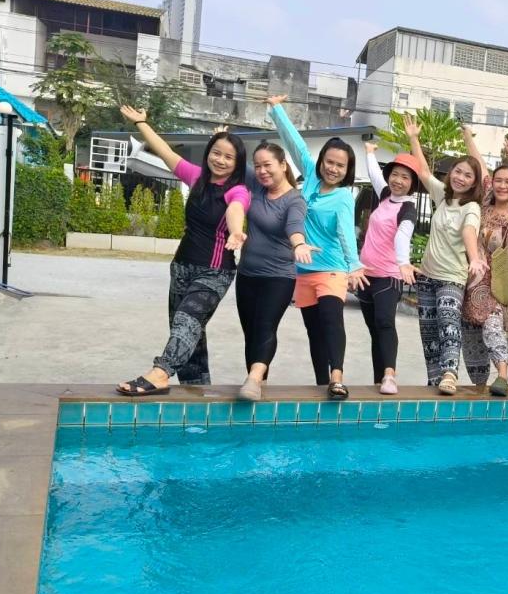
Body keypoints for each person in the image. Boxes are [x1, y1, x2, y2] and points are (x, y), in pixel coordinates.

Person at [115, 105, 250, 396]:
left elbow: (236, 209)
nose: (221, 160)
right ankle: (197, 393)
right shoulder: (196, 177)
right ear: (208, 152)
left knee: (186, 321)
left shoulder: (238, 190)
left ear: (238, 163)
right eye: (217, 153)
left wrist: (236, 231)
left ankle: (160, 373)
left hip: (215, 272)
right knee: (192, 334)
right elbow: (164, 151)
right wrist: (141, 123)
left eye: (229, 157)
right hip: (181, 267)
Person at [266, 96, 367, 399]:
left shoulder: (344, 197)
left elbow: (346, 232)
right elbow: (295, 144)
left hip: (332, 269)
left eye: (340, 165)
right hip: (303, 271)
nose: (333, 169)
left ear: (347, 169)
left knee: (331, 320)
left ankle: (337, 378)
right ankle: (323, 382)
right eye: (329, 162)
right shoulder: (309, 175)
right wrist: (277, 109)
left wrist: (354, 265)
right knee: (313, 331)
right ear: (321, 161)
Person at [403, 113, 487, 395]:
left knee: (448, 324)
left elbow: (469, 232)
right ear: (451, 174)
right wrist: (414, 139)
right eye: (458, 172)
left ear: (474, 183)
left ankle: (450, 373)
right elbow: (423, 172)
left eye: (468, 175)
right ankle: (434, 379)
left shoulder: (471, 207)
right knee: (428, 331)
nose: (461, 178)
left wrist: (474, 258)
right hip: (427, 276)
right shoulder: (442, 196)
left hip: (452, 277)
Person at [457, 125, 508, 397]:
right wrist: (468, 137)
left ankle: (503, 376)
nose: (502, 185)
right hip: (468, 281)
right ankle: (480, 386)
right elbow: (480, 165)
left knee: (492, 327)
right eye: (499, 181)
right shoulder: (481, 206)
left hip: (496, 285)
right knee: (471, 340)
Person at [235, 141, 311, 401]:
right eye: (258, 166)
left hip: (278, 277)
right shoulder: (257, 185)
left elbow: (295, 225)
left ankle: (253, 379)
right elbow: (236, 160)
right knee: (250, 333)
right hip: (247, 274)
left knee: (265, 327)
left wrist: (299, 244)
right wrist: (225, 139)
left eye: (267, 165)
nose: (262, 171)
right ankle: (259, 382)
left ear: (283, 165)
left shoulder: (295, 200)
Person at [359, 141, 421, 395]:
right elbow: (375, 174)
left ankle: (390, 376)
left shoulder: (408, 208)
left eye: (405, 177)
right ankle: (379, 380)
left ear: (412, 183)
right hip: (366, 275)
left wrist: (403, 262)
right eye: (395, 174)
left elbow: (402, 235)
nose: (398, 180)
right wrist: (369, 153)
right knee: (374, 330)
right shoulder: (385, 196)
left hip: (389, 277)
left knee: (384, 323)